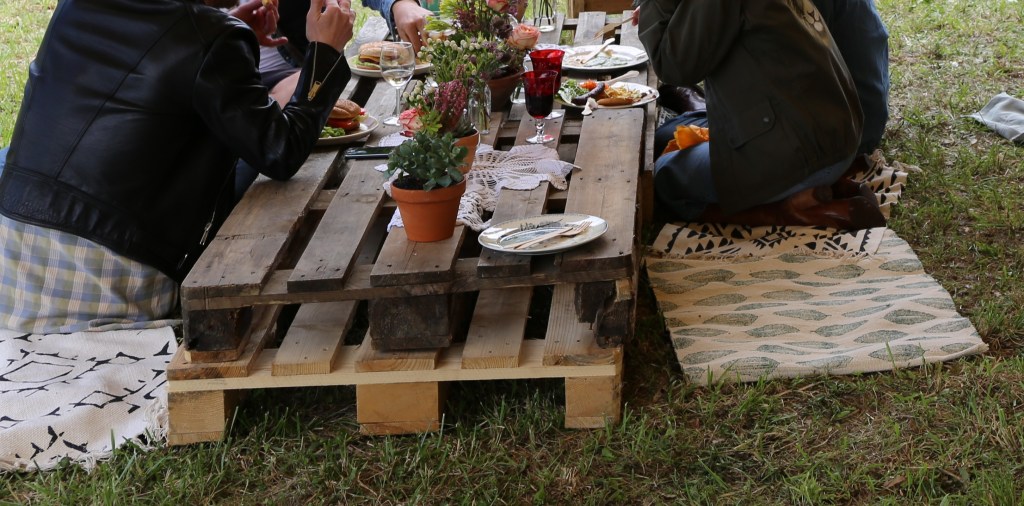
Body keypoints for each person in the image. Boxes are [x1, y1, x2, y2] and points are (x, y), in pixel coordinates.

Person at [0, 0, 355, 334]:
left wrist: (222, 35)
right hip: (113, 282)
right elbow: (280, 151)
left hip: (14, 262)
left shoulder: (76, 7)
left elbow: (155, 56)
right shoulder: (209, 38)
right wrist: (325, 53)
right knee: (257, 179)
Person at [639, 0, 886, 229]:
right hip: (835, 136)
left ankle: (783, 211)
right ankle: (818, 186)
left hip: (798, 151)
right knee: (666, 136)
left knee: (664, 174)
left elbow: (671, 64)